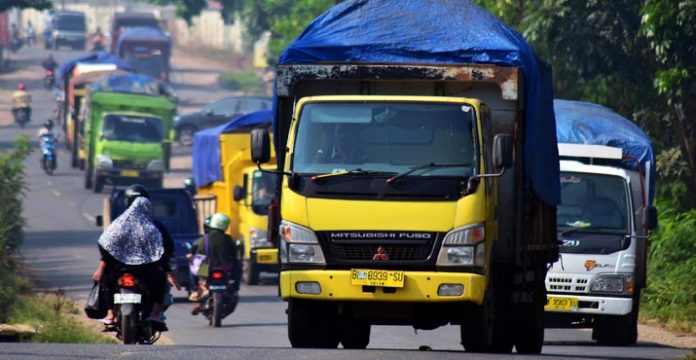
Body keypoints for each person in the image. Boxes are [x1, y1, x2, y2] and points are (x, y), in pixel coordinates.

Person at [92, 184, 180, 327]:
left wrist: (102, 266)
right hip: (146, 270)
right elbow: (165, 249)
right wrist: (168, 271)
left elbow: (105, 245)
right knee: (160, 281)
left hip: (121, 268)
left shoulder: (119, 224)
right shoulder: (155, 226)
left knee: (106, 280)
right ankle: (155, 313)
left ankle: (110, 313)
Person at [187, 213, 240, 314]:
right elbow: (234, 255)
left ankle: (194, 291)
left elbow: (194, 253)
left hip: (205, 269)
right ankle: (235, 288)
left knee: (192, 269)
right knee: (237, 268)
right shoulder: (228, 239)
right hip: (225, 268)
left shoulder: (201, 240)